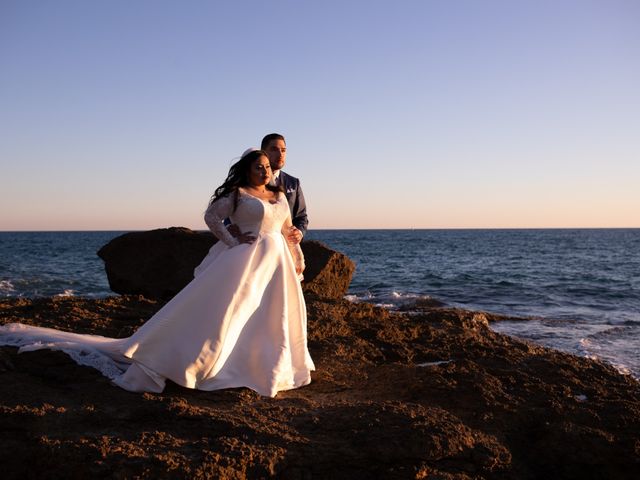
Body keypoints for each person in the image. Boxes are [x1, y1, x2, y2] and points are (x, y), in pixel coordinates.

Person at [0, 149, 315, 397]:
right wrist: (233, 240)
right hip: (246, 259)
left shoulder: (278, 196)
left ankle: (272, 365)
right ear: (247, 170)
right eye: (257, 166)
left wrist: (296, 251)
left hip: (277, 264)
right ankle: (214, 363)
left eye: (266, 166)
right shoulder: (237, 194)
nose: (263, 170)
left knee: (274, 315)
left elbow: (287, 229)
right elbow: (211, 216)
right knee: (232, 310)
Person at [261, 133, 308, 242]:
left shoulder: (293, 183)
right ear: (263, 152)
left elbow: (301, 216)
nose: (280, 154)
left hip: (285, 246)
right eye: (274, 149)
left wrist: (299, 233)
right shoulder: (250, 181)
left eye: (283, 150)